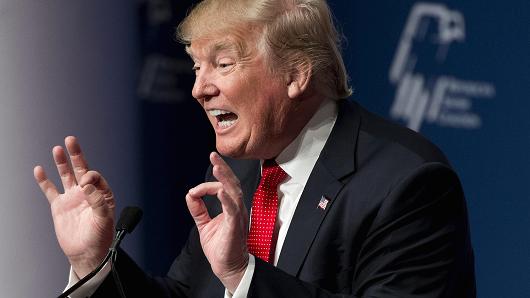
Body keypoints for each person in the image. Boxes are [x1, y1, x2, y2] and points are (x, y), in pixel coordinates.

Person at [34, 0, 476, 297]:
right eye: (196, 67)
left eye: (223, 64)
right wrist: (98, 261)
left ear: (296, 74)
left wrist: (243, 276)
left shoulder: (406, 184)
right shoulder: (239, 173)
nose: (198, 89)